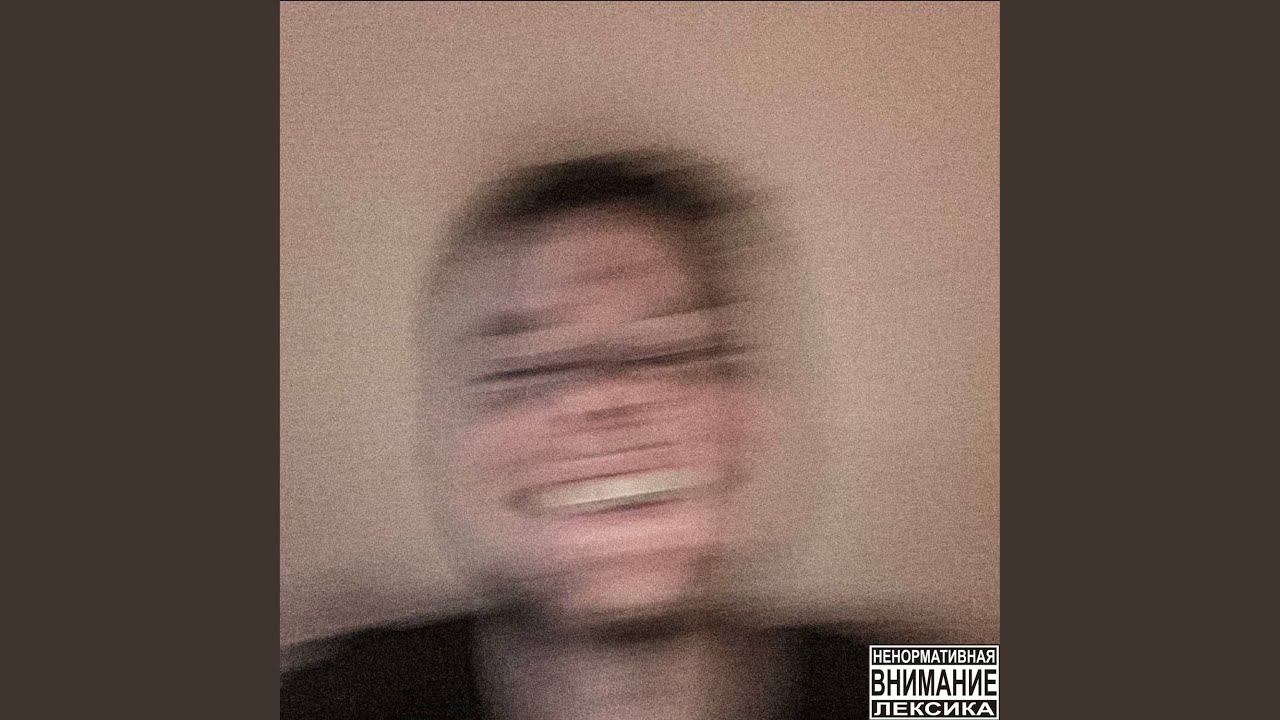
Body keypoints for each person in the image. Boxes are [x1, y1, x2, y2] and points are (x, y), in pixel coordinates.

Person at [281, 152, 886, 719]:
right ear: (440, 438)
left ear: (761, 414)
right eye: (521, 367)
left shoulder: (923, 685)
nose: (601, 395)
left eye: (673, 350)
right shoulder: (323, 700)